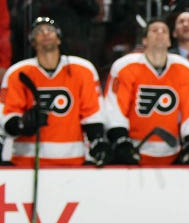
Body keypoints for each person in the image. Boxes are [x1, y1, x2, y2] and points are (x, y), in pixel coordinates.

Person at [0, 17, 109, 166]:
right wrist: (22, 124)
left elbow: (92, 114)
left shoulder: (83, 70)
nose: (45, 33)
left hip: (72, 161)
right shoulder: (18, 73)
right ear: (33, 42)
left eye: (50, 30)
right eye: (39, 31)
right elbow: (7, 116)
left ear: (59, 39)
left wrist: (97, 141)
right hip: (27, 162)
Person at [104, 19, 189, 165]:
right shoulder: (124, 66)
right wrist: (120, 140)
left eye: (164, 31)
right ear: (144, 40)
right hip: (134, 151)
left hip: (172, 153)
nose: (160, 33)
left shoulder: (185, 69)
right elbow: (115, 108)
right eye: (154, 30)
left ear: (170, 41)